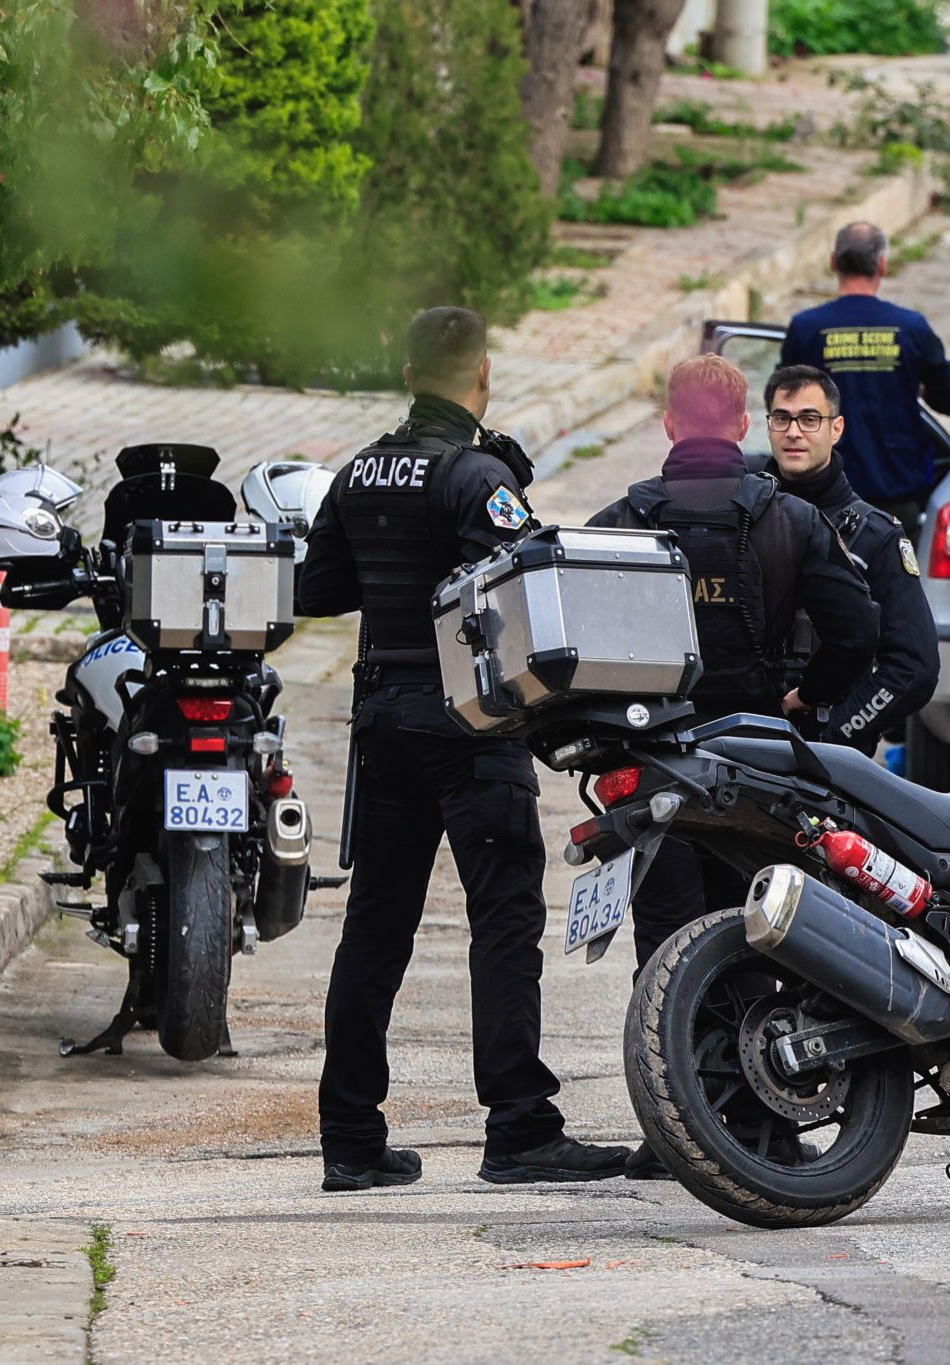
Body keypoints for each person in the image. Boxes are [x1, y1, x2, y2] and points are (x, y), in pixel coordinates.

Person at [297, 307, 629, 1192]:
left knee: (375, 930)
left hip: (385, 724)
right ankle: (520, 1127)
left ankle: (349, 1137)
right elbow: (526, 589)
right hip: (471, 727)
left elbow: (317, 587)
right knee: (505, 922)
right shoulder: (476, 475)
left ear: (408, 374)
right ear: (482, 372)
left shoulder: (360, 470)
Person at [588, 355, 877, 1179]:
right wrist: (805, 695)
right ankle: (764, 1127)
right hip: (755, 764)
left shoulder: (619, 523)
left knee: (666, 948)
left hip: (653, 761)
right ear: (746, 425)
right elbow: (858, 632)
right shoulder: (792, 518)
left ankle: (674, 1131)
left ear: (670, 424)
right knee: (763, 937)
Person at [760, 364, 940, 755]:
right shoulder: (741, 519)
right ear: (769, 426)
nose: (793, 432)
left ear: (836, 429)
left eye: (810, 419)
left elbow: (913, 668)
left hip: (829, 762)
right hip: (736, 742)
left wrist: (834, 734)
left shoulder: (875, 536)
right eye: (782, 418)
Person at [780, 222, 950, 532]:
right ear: (882, 264)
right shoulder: (911, 328)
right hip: (897, 490)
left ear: (833, 262)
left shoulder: (806, 328)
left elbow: (781, 403)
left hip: (823, 494)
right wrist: (915, 383)